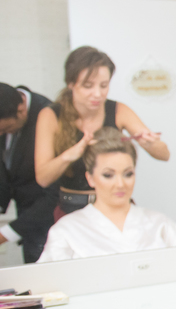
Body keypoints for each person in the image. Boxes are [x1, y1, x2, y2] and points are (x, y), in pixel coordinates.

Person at [34, 46, 169, 215]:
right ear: (71, 84)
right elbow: (43, 178)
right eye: (88, 86)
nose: (97, 94)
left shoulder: (119, 110)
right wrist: (70, 154)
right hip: (73, 209)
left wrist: (148, 143)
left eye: (104, 86)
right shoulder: (51, 116)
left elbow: (165, 155)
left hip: (117, 206)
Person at [37, 128, 176, 261]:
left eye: (128, 174)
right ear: (90, 178)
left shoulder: (160, 225)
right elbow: (49, 281)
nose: (120, 184)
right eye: (108, 175)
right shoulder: (67, 231)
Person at [0, 82, 58, 262]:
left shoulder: (50, 117)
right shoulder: (6, 110)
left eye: (4, 130)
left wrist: (6, 234)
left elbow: (54, 194)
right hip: (26, 222)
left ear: (21, 110)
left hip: (48, 225)